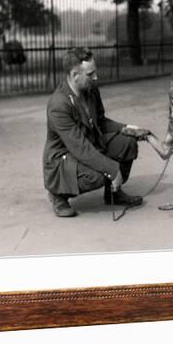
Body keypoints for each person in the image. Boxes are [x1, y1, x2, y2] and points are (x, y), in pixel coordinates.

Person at [42, 47, 148, 217]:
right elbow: (79, 148)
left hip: (88, 144)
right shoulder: (58, 105)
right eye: (90, 74)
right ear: (75, 75)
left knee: (127, 143)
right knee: (98, 175)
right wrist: (113, 170)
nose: (96, 77)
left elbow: (100, 122)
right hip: (65, 156)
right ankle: (58, 195)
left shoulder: (90, 89)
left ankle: (113, 193)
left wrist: (127, 128)